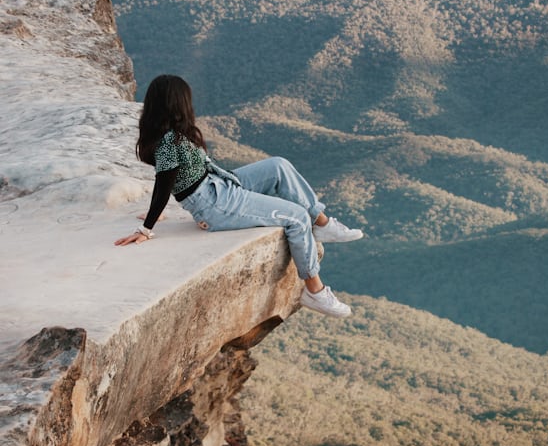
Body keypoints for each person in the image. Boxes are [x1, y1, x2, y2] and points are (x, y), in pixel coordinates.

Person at [115, 74, 363, 318]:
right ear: (178, 104)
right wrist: (146, 227)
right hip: (215, 204)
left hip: (219, 184)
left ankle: (322, 223)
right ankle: (314, 291)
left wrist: (155, 214)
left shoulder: (172, 135)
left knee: (279, 166)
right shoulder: (171, 141)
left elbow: (170, 181)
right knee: (296, 218)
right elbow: (164, 182)